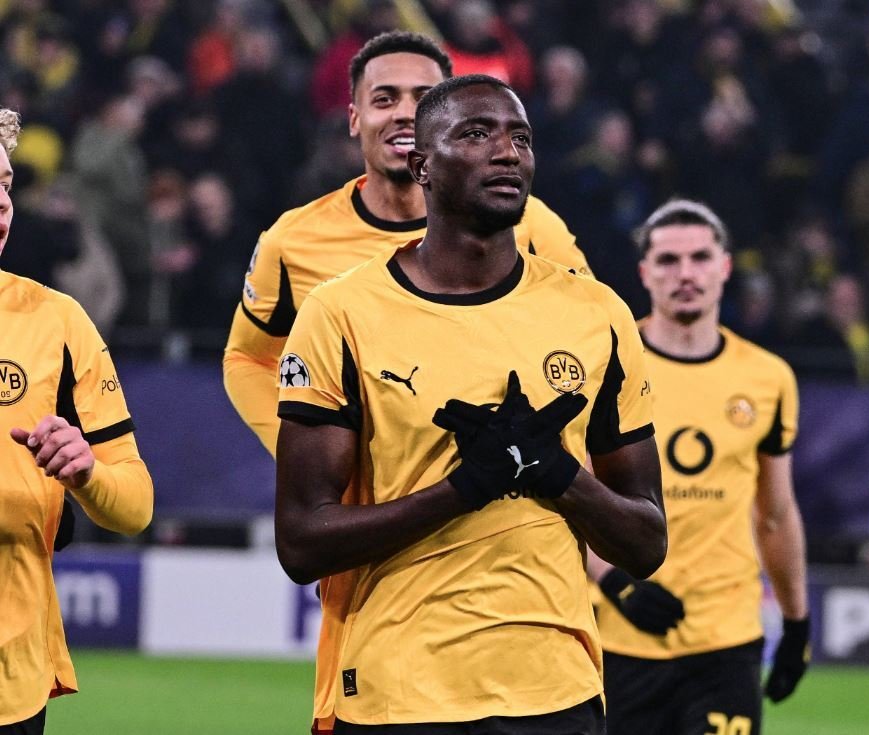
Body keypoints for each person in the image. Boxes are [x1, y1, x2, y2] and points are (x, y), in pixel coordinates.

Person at [274, 75, 666, 734]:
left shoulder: (595, 312)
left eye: (521, 138)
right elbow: (301, 543)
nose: (507, 152)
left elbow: (647, 542)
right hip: (400, 697)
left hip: (557, 696)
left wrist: (556, 473)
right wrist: (465, 488)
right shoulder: (340, 313)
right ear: (421, 165)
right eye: (477, 134)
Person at [223, 30, 590, 457]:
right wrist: (303, 454)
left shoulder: (530, 225)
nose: (404, 114)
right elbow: (248, 359)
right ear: (354, 118)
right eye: (384, 99)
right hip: (374, 498)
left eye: (423, 98)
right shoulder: (293, 241)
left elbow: (595, 338)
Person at [590, 199, 809, 735]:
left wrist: (797, 621)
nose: (685, 273)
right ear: (645, 272)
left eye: (700, 258)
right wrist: (615, 582)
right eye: (668, 260)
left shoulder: (768, 378)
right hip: (618, 640)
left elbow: (776, 514)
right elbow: (570, 495)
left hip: (725, 643)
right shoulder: (604, 363)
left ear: (725, 267)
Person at [0, 108, 154, 735]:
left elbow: (136, 506)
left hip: (9, 683)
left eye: (6, 185)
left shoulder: (56, 322)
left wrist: (87, 473)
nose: (1, 203)